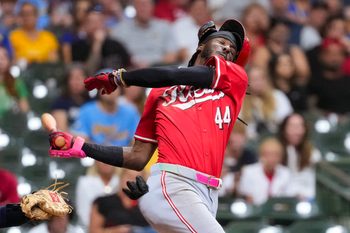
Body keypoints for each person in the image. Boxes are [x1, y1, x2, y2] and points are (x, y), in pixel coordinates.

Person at [49, 18, 250, 233]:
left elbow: (175, 74)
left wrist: (120, 78)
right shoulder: (160, 93)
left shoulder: (234, 78)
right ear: (201, 45)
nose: (228, 48)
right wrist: (84, 147)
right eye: (222, 41)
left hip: (208, 193)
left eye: (233, 49)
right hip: (172, 184)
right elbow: (137, 156)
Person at [90, 169, 155, 233]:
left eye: (137, 179)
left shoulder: (148, 206)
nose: (133, 180)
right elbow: (93, 230)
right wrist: (114, 231)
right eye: (129, 176)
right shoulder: (103, 202)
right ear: (121, 177)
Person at [278, 113, 321, 200]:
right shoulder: (276, 151)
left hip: (308, 197)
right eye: (292, 126)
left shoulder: (313, 153)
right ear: (284, 129)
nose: (296, 131)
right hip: (282, 198)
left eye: (299, 126)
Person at [237, 137, 291, 206]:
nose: (271, 158)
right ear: (261, 155)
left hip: (279, 212)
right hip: (255, 211)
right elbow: (246, 195)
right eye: (268, 154)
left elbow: (288, 197)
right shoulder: (249, 171)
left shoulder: (286, 173)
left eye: (275, 155)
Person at [0, 46, 29, 119]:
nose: (1, 61)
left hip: (9, 123)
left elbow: (24, 108)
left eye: (4, 58)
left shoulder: (17, 83)